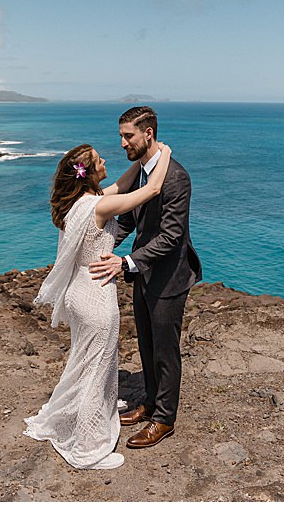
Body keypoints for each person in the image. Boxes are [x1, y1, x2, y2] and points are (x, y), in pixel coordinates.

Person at [23, 141, 172, 469]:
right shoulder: (99, 207)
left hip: (77, 294)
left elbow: (121, 185)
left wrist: (140, 164)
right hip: (95, 298)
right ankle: (88, 450)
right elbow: (153, 189)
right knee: (97, 370)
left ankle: (73, 420)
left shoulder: (79, 203)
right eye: (99, 160)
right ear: (88, 173)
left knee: (83, 362)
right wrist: (165, 153)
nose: (107, 160)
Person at [86, 106, 203, 450]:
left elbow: (171, 236)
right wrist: (101, 245)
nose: (122, 143)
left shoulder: (177, 178)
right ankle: (150, 403)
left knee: (165, 351)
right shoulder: (141, 173)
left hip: (169, 277)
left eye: (128, 136)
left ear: (148, 134)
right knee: (146, 344)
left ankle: (164, 419)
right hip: (143, 273)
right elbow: (128, 220)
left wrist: (125, 263)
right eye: (121, 135)